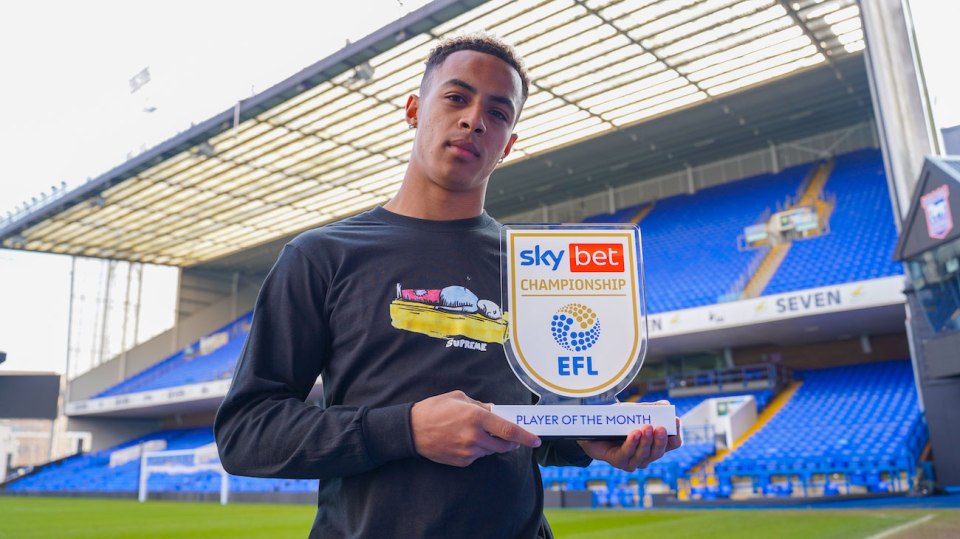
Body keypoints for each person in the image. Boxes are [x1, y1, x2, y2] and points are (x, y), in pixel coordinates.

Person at [214, 33, 681, 539]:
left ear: (509, 144)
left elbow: (528, 425)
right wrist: (406, 430)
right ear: (414, 109)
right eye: (456, 97)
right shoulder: (322, 255)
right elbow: (246, 433)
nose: (475, 119)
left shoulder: (537, 267)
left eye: (499, 113)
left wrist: (584, 437)